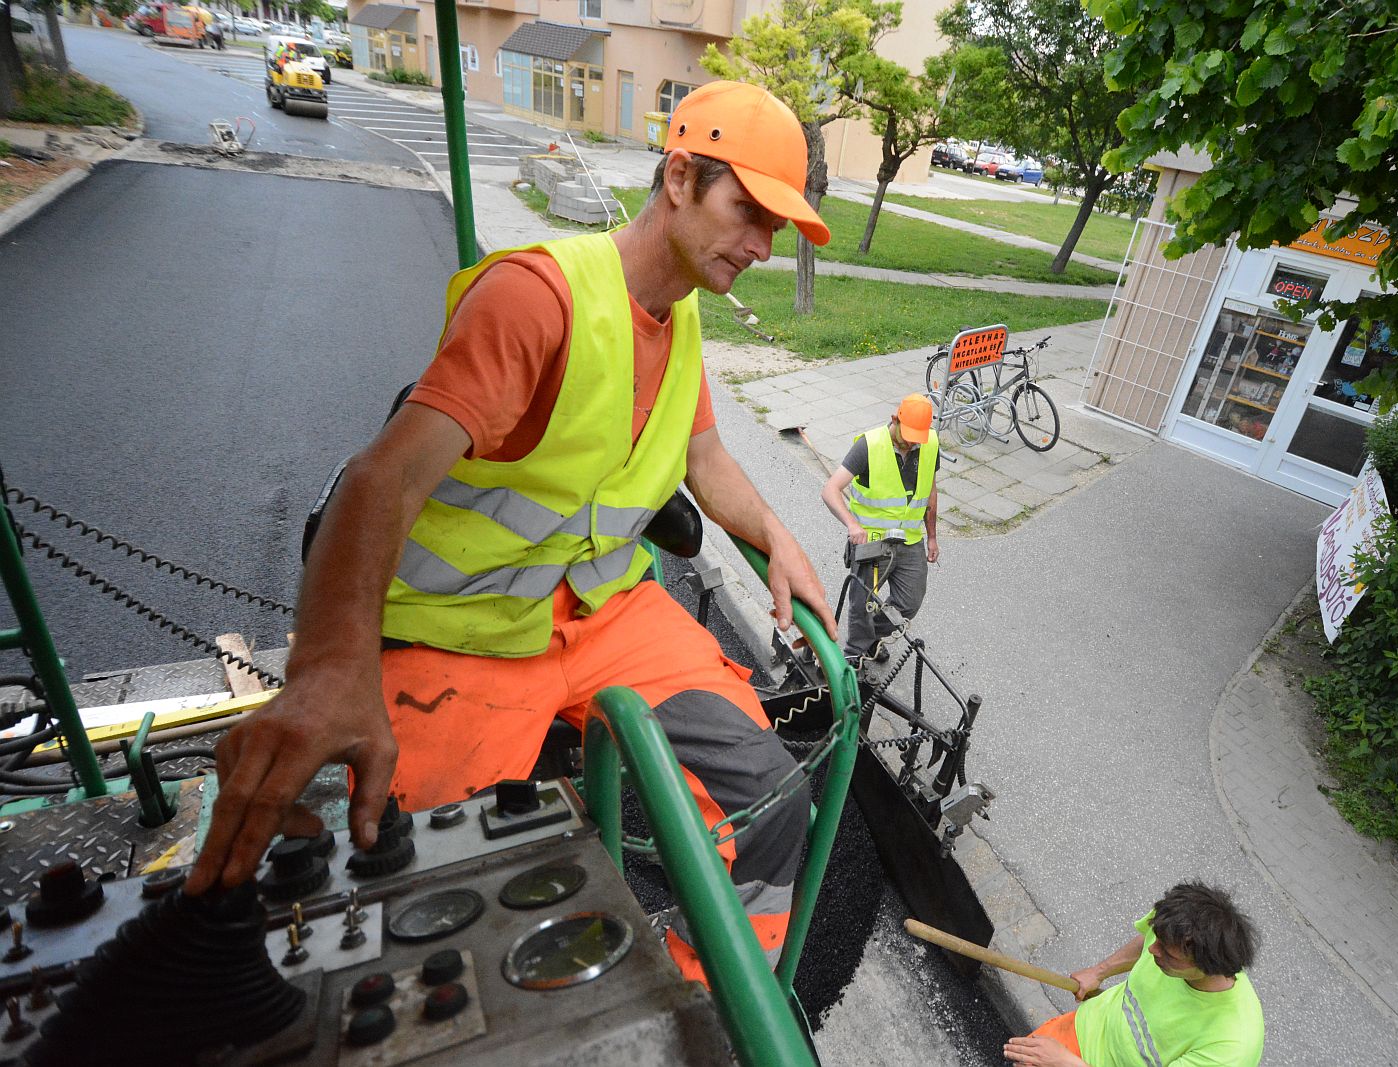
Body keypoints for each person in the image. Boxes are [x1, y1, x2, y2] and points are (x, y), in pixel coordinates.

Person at [185, 80, 836, 984]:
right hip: (462, 634)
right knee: (412, 883)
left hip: (605, 618)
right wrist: (330, 669)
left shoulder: (680, 310)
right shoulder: (536, 298)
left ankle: (704, 1003)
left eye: (776, 227)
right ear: (681, 177)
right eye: (749, 213)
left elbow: (702, 453)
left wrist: (777, 533)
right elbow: (382, 478)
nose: (762, 246)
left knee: (771, 800)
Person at [1003, 883, 1265, 1067]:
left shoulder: (1230, 1044)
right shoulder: (1174, 928)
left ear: (1206, 967)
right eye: (1156, 937)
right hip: (1075, 1032)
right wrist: (1099, 972)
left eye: (1167, 953)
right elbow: (1147, 941)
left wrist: (1063, 1062)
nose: (1152, 950)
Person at [820, 394, 940, 664]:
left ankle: (871, 637)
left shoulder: (930, 443)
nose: (912, 443)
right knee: (863, 603)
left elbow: (930, 491)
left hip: (910, 539)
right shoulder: (869, 446)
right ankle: (855, 653)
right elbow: (830, 490)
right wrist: (852, 524)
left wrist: (932, 536)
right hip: (872, 542)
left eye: (917, 438)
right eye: (908, 436)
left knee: (909, 602)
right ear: (895, 419)